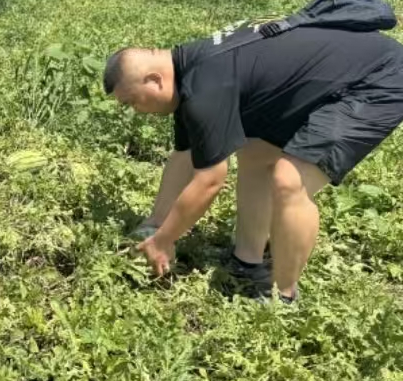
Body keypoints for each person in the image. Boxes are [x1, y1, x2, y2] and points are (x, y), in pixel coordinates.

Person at [104, 25, 403, 303]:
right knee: (256, 154)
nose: (136, 111)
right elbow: (184, 156)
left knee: (290, 181)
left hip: (378, 79)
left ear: (154, 81)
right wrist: (154, 226)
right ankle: (248, 261)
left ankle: (281, 297)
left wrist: (166, 239)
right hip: (348, 69)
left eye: (131, 102)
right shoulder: (188, 71)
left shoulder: (203, 89)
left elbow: (209, 180)